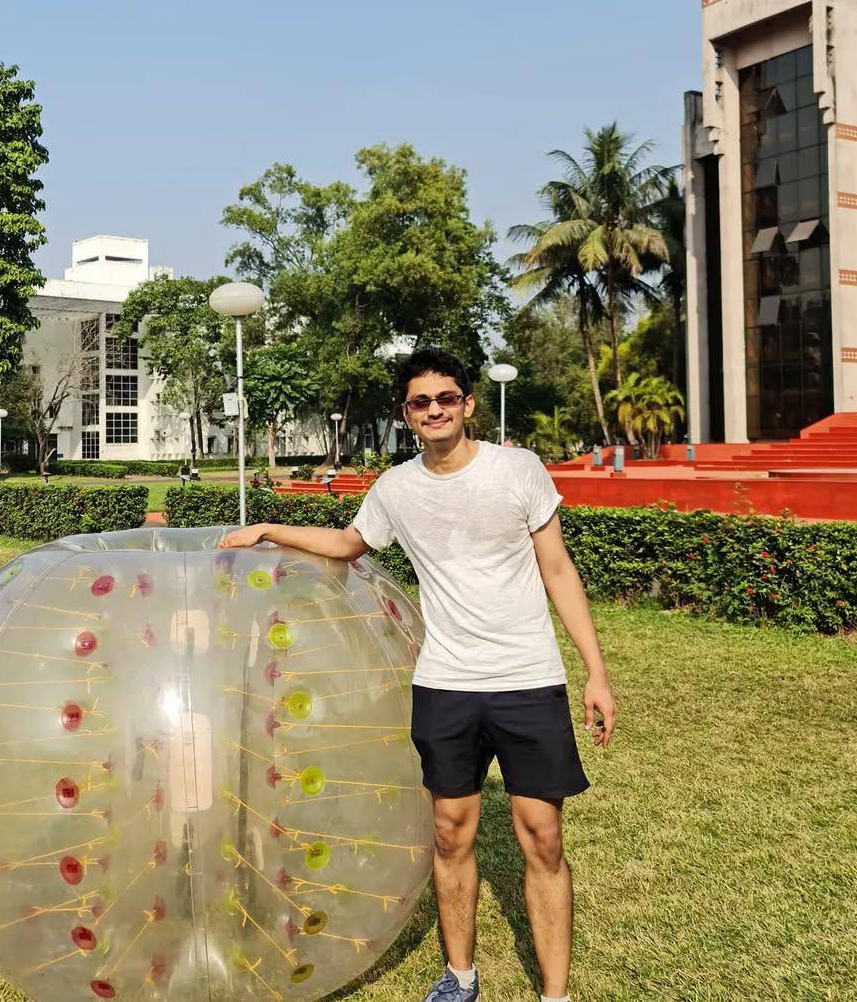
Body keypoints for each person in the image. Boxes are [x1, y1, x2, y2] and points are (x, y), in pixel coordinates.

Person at [221, 348, 616, 1002]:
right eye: (419, 401)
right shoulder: (396, 488)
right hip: (446, 683)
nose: (433, 410)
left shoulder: (516, 470)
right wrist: (266, 528)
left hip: (526, 679)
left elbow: (557, 571)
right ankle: (459, 977)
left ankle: (555, 994)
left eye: (445, 398)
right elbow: (349, 544)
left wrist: (594, 672)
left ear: (465, 403)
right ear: (406, 414)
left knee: (542, 837)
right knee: (447, 831)